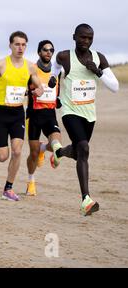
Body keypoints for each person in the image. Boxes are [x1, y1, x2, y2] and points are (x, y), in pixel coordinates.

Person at [50, 24, 119, 215]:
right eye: (82, 37)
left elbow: (115, 87)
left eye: (90, 38)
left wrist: (97, 71)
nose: (86, 41)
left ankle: (60, 152)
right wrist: (53, 80)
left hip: (90, 114)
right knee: (84, 149)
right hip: (70, 111)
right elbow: (54, 69)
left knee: (79, 151)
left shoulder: (99, 58)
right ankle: (85, 200)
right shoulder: (64, 56)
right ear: (74, 37)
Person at [0, 31, 43, 201]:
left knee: (17, 152)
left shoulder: (30, 66)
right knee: (2, 157)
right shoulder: (1, 65)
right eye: (17, 44)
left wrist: (38, 91)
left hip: (17, 113)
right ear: (10, 45)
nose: (20, 48)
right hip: (1, 113)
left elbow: (40, 86)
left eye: (23, 44)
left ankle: (8, 189)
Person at [24, 40, 63, 196]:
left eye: (51, 50)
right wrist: (32, 92)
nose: (49, 52)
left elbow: (57, 91)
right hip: (33, 115)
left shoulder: (57, 71)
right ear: (39, 52)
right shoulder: (31, 70)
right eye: (45, 50)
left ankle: (43, 148)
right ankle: (31, 180)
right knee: (33, 154)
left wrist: (58, 99)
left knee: (57, 144)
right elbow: (22, 91)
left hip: (50, 115)